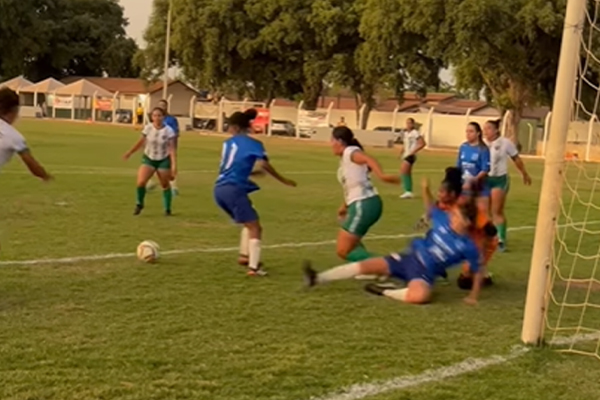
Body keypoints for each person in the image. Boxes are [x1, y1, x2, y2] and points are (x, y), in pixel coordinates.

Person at [303, 201, 483, 305]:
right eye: (453, 214)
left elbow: (479, 269)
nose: (452, 218)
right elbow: (432, 208)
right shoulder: (443, 219)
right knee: (365, 266)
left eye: (457, 217)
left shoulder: (468, 246)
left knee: (420, 296)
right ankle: (318, 278)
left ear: (467, 223)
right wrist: (425, 193)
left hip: (423, 273)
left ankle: (385, 291)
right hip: (408, 258)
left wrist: (473, 296)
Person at [214, 109, 297, 276]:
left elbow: (232, 167)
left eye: (229, 126)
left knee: (248, 221)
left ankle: (245, 256)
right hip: (234, 188)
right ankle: (254, 268)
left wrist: (250, 174)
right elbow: (264, 165)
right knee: (255, 227)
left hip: (219, 189)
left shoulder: (227, 143)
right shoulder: (254, 144)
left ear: (235, 128)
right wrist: (283, 180)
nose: (228, 129)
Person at [331, 126, 399, 267]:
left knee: (343, 250)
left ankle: (394, 265)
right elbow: (354, 182)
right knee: (351, 242)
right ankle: (369, 268)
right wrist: (345, 206)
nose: (330, 144)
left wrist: (382, 175)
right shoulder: (346, 157)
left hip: (364, 204)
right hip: (363, 203)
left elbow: (368, 159)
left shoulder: (350, 151)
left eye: (332, 140)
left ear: (339, 141)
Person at [484, 119, 532, 251]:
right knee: (486, 212)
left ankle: (501, 240)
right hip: (485, 180)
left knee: (496, 211)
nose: (485, 131)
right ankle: (489, 238)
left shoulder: (505, 143)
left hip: (499, 180)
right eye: (484, 128)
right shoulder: (481, 144)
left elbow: (516, 158)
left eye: (488, 128)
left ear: (496, 130)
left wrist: (524, 173)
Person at [123, 107, 177, 216]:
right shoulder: (148, 128)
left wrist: (174, 165)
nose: (157, 118)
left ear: (163, 117)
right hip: (149, 158)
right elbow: (140, 142)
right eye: (155, 115)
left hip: (163, 159)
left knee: (165, 184)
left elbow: (172, 149)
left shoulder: (168, 131)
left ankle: (167, 209)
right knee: (141, 182)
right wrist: (130, 152)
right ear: (152, 117)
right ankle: (139, 204)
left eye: (159, 115)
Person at [147, 100, 181, 195]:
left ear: (167, 107)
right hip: (156, 148)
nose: (162, 107)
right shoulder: (155, 119)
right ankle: (151, 183)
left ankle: (174, 186)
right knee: (153, 165)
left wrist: (173, 146)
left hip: (169, 147)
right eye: (160, 105)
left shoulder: (171, 120)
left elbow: (176, 133)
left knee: (170, 166)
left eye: (164, 105)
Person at [457, 122, 490, 214]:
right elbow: (458, 166)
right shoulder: (463, 147)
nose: (468, 134)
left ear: (478, 133)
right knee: (463, 216)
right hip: (464, 187)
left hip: (479, 187)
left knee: (482, 217)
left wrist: (473, 180)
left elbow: (485, 169)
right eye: (467, 131)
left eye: (471, 131)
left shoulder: (483, 149)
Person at [399, 118, 426, 199]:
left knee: (403, 171)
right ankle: (408, 191)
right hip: (406, 155)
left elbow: (422, 143)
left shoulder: (415, 133)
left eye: (410, 123)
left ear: (413, 124)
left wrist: (413, 151)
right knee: (406, 172)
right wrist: (401, 152)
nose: (408, 125)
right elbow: (405, 144)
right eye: (407, 123)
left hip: (410, 155)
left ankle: (408, 191)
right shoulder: (406, 133)